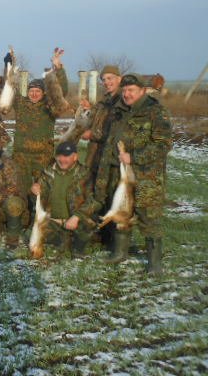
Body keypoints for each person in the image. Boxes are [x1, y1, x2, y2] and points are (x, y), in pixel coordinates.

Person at [95, 74, 172, 273]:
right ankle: (120, 253)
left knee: (149, 217)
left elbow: (163, 145)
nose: (127, 94)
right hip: (120, 174)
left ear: (143, 91)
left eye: (132, 90)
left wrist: (134, 157)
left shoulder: (155, 111)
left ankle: (154, 264)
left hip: (147, 177)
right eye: (125, 90)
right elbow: (111, 142)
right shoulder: (119, 111)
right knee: (123, 212)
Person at [11, 48, 69, 209]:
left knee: (41, 192)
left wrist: (58, 68)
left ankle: (41, 218)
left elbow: (61, 92)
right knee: (20, 192)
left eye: (38, 91)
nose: (34, 94)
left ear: (43, 93)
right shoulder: (20, 104)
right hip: (21, 157)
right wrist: (10, 64)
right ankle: (23, 218)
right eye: (31, 91)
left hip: (43, 157)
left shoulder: (49, 106)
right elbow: (10, 87)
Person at [80, 65, 125, 249]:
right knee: (96, 193)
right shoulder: (104, 101)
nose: (107, 82)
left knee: (112, 196)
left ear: (119, 79)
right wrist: (89, 110)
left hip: (112, 158)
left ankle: (114, 239)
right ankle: (100, 233)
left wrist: (93, 134)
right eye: (104, 80)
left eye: (110, 78)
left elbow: (115, 131)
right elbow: (95, 120)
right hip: (95, 156)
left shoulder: (123, 101)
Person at [31, 142, 100, 258]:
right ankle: (62, 241)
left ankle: (78, 249)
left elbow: (95, 200)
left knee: (86, 227)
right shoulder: (48, 173)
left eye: (67, 156)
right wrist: (35, 190)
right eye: (60, 156)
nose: (62, 159)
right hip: (54, 221)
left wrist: (76, 217)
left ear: (75, 157)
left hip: (76, 222)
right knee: (32, 237)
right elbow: (40, 197)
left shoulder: (85, 174)